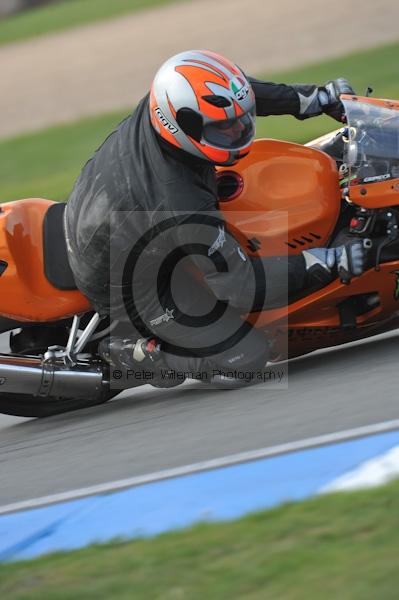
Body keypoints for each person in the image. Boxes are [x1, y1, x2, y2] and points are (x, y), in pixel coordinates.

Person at [64, 49, 367, 387]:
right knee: (246, 359)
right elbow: (239, 285)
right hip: (128, 280)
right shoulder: (180, 200)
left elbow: (242, 96)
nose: (239, 129)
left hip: (105, 212)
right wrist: (321, 262)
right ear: (183, 125)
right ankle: (135, 353)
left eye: (241, 119)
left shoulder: (168, 103)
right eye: (224, 128)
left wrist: (315, 98)